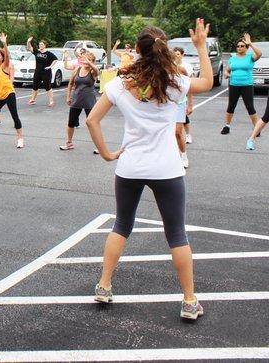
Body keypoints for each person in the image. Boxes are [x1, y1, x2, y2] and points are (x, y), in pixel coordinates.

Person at [85, 19, 214, 320]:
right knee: (176, 233)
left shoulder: (119, 83)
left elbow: (92, 120)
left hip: (130, 166)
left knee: (122, 225)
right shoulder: (175, 82)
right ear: (164, 50)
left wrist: (107, 154)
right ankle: (189, 301)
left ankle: (104, 286)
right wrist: (201, 47)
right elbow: (207, 83)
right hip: (167, 168)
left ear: (138, 52)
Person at [0, 33, 24, 148]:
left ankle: (20, 139)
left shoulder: (5, 65)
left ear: (2, 58)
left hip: (9, 93)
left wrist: (4, 43)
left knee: (14, 116)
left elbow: (7, 55)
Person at [221, 33, 263, 135]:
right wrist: (227, 74)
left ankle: (256, 129)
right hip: (234, 85)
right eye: (238, 46)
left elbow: (260, 54)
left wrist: (250, 43)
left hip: (247, 85)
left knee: (250, 107)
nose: (239, 47)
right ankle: (227, 126)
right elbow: (227, 71)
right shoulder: (232, 58)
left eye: (242, 46)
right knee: (231, 106)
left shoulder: (250, 57)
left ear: (246, 48)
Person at [60, 51, 98, 150]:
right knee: (71, 122)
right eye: (85, 59)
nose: (86, 61)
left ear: (93, 62)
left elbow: (97, 71)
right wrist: (68, 97)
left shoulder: (93, 71)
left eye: (89, 60)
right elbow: (71, 83)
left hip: (89, 100)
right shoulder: (77, 69)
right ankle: (69, 143)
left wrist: (89, 63)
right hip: (77, 99)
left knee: (92, 124)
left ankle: (98, 146)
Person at [174, 47, 195, 168]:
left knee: (177, 132)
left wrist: (190, 104)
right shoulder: (163, 68)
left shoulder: (183, 68)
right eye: (173, 54)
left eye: (177, 54)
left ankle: (183, 156)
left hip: (180, 103)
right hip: (167, 103)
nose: (176, 56)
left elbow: (190, 86)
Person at [26, 37, 58, 107]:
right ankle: (32, 99)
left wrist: (50, 66)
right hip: (38, 72)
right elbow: (29, 48)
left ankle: (51, 101)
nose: (40, 46)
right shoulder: (37, 52)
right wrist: (28, 42)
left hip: (46, 72)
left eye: (42, 44)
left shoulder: (48, 53)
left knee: (47, 87)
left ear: (45, 45)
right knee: (35, 86)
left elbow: (55, 59)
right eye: (39, 44)